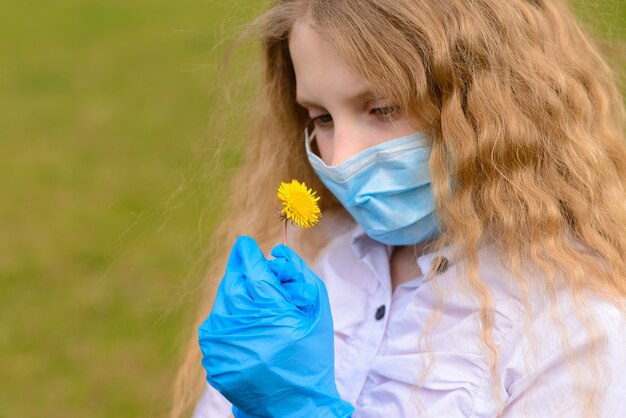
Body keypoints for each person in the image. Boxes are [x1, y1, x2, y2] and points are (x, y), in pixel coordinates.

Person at [172, 0, 626, 417]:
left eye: (382, 108)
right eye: (322, 118)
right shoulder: (317, 260)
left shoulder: (571, 331)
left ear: (493, 107)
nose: (339, 159)